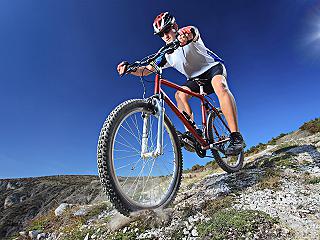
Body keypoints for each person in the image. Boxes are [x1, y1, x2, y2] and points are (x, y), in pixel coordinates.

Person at [117, 12, 245, 155]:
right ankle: (192, 133)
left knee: (220, 86)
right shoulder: (166, 54)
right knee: (179, 95)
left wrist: (186, 34)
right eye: (161, 34)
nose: (165, 36)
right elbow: (146, 70)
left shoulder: (185, 36)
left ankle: (236, 137)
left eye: (167, 30)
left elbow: (193, 32)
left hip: (212, 69)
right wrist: (129, 69)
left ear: (175, 26)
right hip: (195, 80)